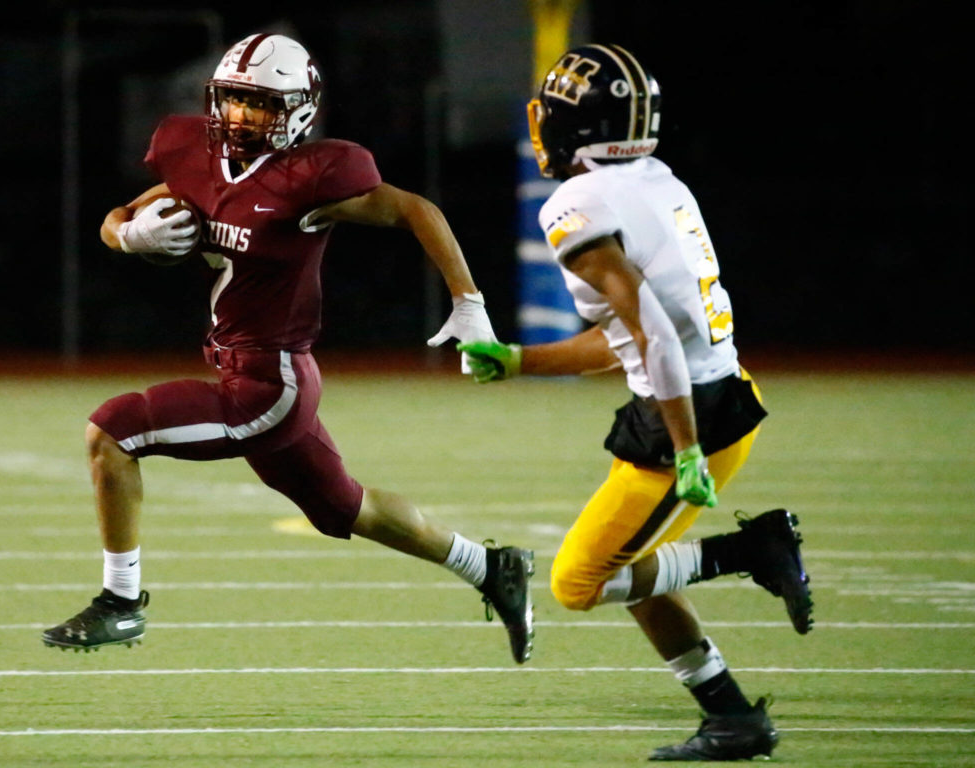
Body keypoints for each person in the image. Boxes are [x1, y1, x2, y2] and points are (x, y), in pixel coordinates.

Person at [41, 33, 534, 666]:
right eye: (234, 100)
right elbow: (119, 215)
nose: (241, 116)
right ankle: (491, 567)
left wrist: (469, 303)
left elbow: (416, 209)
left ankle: (121, 602)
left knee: (111, 432)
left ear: (299, 109)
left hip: (270, 384)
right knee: (344, 508)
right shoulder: (192, 148)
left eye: (260, 104)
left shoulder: (314, 175)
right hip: (241, 366)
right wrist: (129, 235)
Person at [458, 43, 812, 760]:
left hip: (693, 421)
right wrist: (523, 361)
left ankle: (751, 548)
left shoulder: (577, 204)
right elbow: (634, 335)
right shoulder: (658, 182)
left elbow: (653, 339)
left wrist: (684, 449)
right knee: (628, 562)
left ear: (577, 128)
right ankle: (731, 716)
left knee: (578, 580)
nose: (540, 128)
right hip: (714, 399)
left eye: (551, 117)